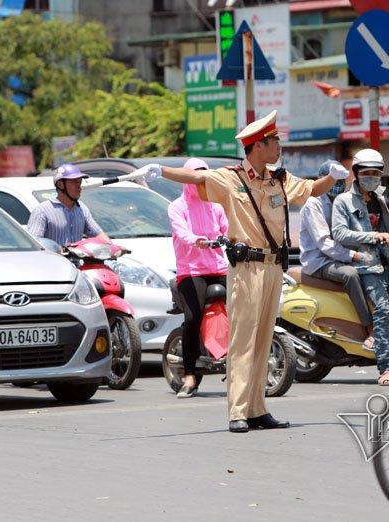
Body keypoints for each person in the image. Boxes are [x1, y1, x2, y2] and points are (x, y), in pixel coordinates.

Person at [135, 110, 350, 433]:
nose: (279, 146)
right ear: (258, 145)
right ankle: (237, 410)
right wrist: (161, 171)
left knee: (264, 338)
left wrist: (333, 177)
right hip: (246, 267)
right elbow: (197, 178)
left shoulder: (279, 179)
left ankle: (257, 409)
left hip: (274, 267)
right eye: (274, 141)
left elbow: (312, 190)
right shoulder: (231, 178)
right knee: (243, 340)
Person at [332, 148, 389, 386]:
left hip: (388, 262)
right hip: (366, 266)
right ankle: (386, 368)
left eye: (376, 173)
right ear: (356, 174)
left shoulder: (379, 199)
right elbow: (339, 233)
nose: (371, 177)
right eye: (366, 173)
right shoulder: (343, 201)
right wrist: (373, 236)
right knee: (383, 311)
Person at [167, 158, 229, 399]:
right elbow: (181, 232)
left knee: (244, 307)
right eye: (196, 176)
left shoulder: (216, 205)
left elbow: (228, 229)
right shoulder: (177, 206)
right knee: (192, 318)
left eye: (205, 176)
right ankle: (190, 375)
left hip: (219, 266)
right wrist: (196, 240)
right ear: (187, 179)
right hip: (191, 270)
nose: (201, 181)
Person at [299, 160, 373, 344]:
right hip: (319, 261)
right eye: (334, 181)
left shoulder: (343, 201)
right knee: (351, 275)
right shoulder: (313, 204)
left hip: (339, 256)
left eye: (341, 182)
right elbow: (324, 243)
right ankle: (370, 329)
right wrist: (352, 256)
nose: (338, 186)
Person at [28, 164, 109, 245]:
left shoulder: (82, 208)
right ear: (60, 185)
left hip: (79, 257)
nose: (79, 186)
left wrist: (113, 247)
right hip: (54, 257)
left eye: (79, 181)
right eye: (74, 181)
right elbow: (35, 243)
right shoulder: (42, 211)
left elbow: (98, 234)